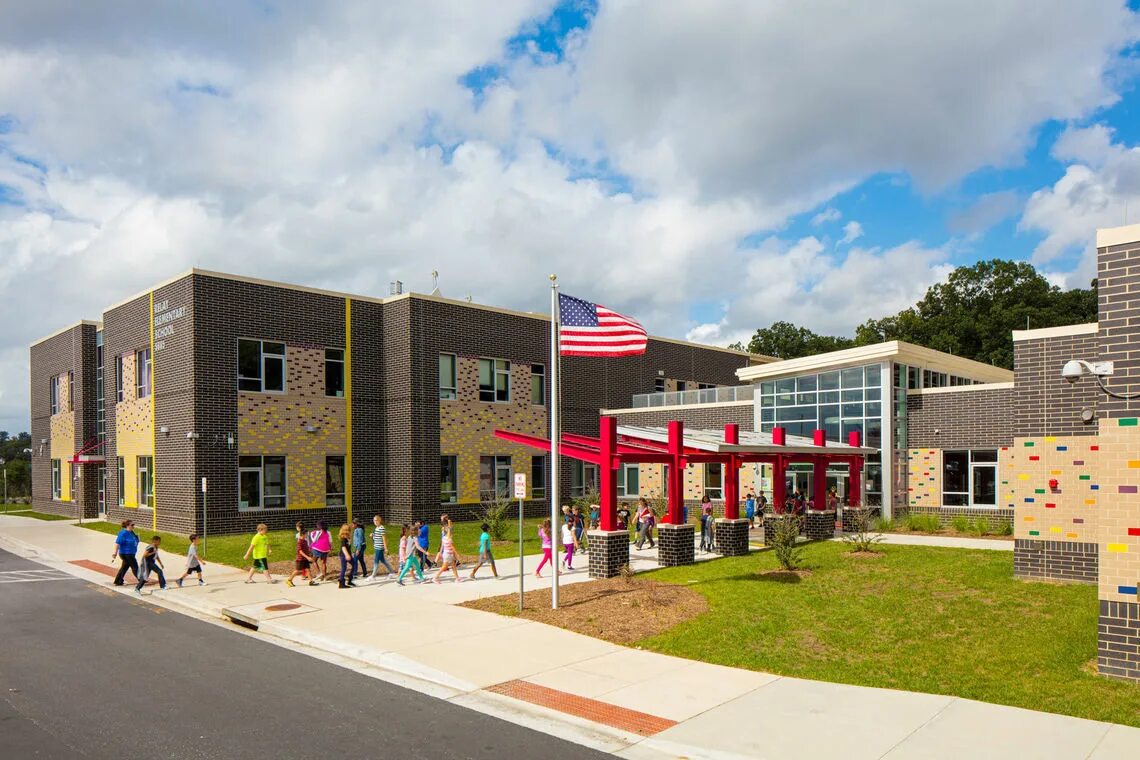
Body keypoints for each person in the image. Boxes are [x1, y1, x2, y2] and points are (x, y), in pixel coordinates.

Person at [432, 514, 467, 584]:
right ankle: (435, 578)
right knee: (444, 567)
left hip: (447, 554)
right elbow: (452, 547)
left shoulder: (444, 538)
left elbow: (442, 547)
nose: (451, 531)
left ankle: (457, 578)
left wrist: (441, 553)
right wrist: (458, 555)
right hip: (448, 554)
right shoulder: (449, 539)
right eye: (449, 531)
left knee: (453, 566)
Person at [286, 522, 317, 588]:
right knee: (297, 570)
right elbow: (300, 551)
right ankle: (289, 580)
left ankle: (311, 581)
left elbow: (306, 549)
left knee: (308, 569)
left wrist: (310, 554)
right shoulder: (299, 541)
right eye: (306, 534)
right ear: (303, 534)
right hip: (300, 559)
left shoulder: (305, 541)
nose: (307, 535)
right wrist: (307, 557)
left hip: (305, 558)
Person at [111, 519, 140, 586]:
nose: (133, 526)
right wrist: (115, 553)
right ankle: (141, 580)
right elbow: (117, 543)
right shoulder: (123, 533)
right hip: (126, 553)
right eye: (132, 525)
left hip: (131, 553)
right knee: (135, 567)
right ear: (127, 525)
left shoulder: (132, 532)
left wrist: (137, 538)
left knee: (124, 567)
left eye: (134, 525)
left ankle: (118, 581)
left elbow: (134, 541)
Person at [370, 515, 397, 580]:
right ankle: (392, 572)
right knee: (383, 560)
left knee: (376, 561)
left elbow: (384, 538)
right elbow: (376, 537)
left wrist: (386, 548)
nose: (375, 522)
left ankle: (373, 576)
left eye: (376, 520)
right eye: (374, 520)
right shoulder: (376, 528)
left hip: (379, 547)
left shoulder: (381, 528)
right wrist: (372, 535)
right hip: (376, 547)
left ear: (380, 521)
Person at [337, 523, 355, 589]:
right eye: (349, 530)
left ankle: (349, 578)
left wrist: (352, 527)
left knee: (354, 565)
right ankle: (341, 582)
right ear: (346, 531)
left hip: (348, 555)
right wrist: (347, 555)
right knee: (344, 568)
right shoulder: (343, 539)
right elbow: (343, 547)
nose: (350, 531)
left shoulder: (347, 537)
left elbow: (350, 530)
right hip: (343, 555)